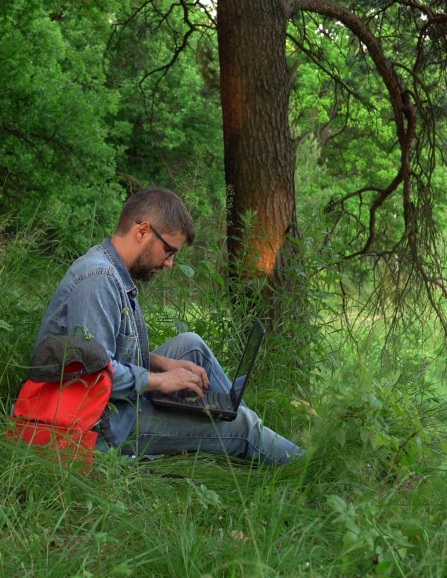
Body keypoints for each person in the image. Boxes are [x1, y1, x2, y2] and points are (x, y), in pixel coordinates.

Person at [33, 187, 303, 465]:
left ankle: (241, 426)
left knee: (191, 346)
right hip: (108, 423)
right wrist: (160, 381)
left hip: (119, 402)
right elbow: (93, 378)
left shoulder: (112, 270)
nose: (170, 263)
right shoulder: (98, 280)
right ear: (143, 231)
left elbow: (105, 352)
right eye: (169, 250)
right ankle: (300, 464)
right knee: (243, 427)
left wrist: (161, 363)